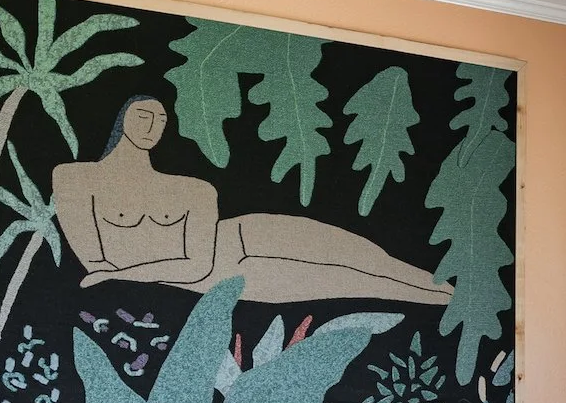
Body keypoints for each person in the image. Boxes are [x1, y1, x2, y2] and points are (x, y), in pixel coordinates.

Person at [53, 96, 452, 306]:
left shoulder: (193, 189)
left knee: (362, 255)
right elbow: (97, 265)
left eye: (161, 121)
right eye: (144, 115)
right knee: (352, 282)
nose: (154, 126)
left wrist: (124, 273)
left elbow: (190, 262)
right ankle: (442, 299)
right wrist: (120, 274)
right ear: (122, 117)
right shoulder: (73, 178)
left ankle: (452, 293)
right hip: (225, 274)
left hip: (241, 233)